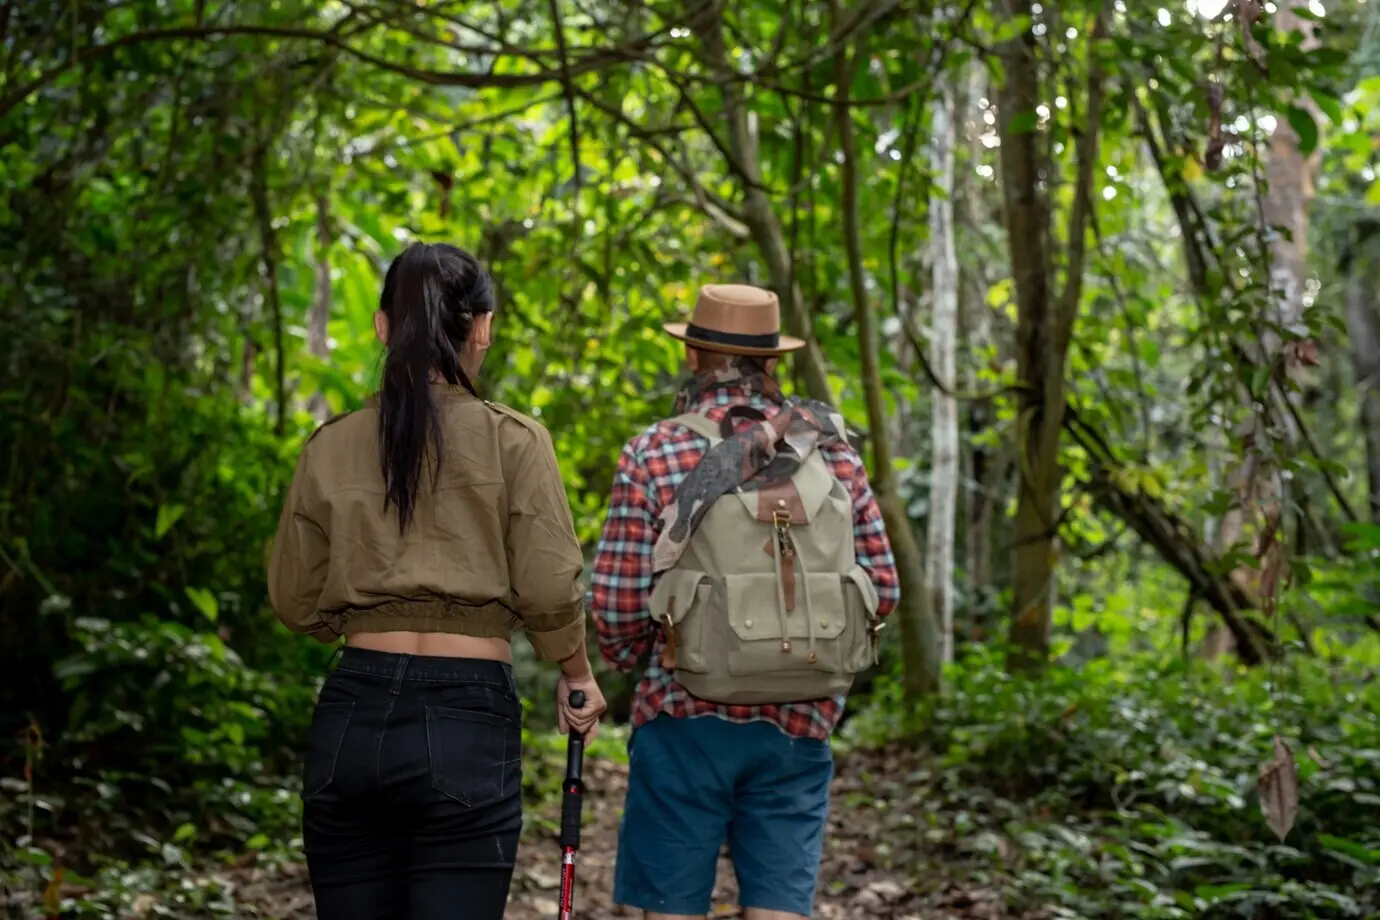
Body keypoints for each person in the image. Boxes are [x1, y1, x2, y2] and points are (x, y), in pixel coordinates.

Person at [267, 241, 607, 920]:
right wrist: (576, 672)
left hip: (352, 709)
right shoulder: (515, 440)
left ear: (383, 327)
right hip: (467, 716)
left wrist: (365, 619)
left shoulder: (331, 444)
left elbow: (293, 599)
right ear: (481, 327)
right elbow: (547, 588)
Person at [590, 283, 900, 920]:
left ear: (694, 358)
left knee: (671, 907)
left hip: (684, 714)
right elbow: (883, 589)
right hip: (801, 717)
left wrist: (643, 662)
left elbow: (617, 606)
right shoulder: (832, 451)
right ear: (773, 363)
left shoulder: (655, 451)